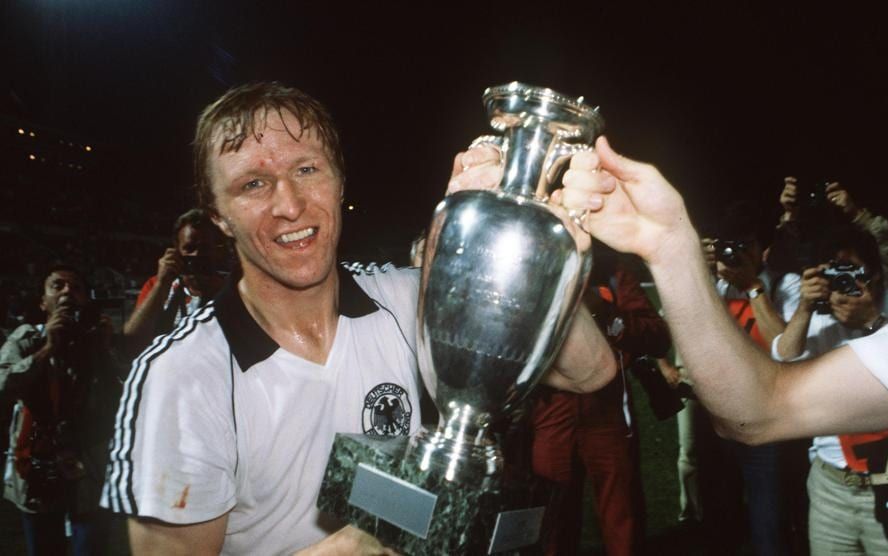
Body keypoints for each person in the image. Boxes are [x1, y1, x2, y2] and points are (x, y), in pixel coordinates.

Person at [101, 82, 615, 555]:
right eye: (254, 184)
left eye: (307, 170)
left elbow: (589, 371)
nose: (290, 205)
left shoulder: (405, 297)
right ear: (217, 214)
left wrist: (527, 232)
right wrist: (360, 546)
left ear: (340, 180)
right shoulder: (182, 375)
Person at [556, 136, 888, 532]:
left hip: (860, 466)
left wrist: (753, 283)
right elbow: (774, 377)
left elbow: (766, 393)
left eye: (853, 272)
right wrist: (671, 248)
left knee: (767, 509)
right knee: (704, 476)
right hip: (800, 454)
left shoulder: (788, 286)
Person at [773, 227, 888, 554]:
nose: (845, 284)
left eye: (854, 272)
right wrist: (803, 308)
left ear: (877, 275)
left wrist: (872, 322)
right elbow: (783, 365)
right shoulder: (820, 321)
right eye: (835, 274)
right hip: (831, 485)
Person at [531, 246, 670, 556]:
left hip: (606, 408)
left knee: (621, 516)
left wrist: (606, 313)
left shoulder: (610, 267)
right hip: (551, 406)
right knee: (549, 516)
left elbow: (658, 336)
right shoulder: (534, 260)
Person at [678, 202, 800, 555]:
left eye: (746, 245)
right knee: (720, 521)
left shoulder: (784, 284)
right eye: (730, 246)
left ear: (763, 248)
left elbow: (783, 346)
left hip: (766, 425)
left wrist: (752, 287)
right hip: (719, 419)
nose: (736, 254)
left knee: (768, 526)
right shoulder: (717, 285)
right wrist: (697, 270)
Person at [1, 265, 125, 555]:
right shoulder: (27, 337)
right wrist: (45, 352)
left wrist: (105, 351)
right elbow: (3, 385)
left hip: (89, 473)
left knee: (90, 547)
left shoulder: (98, 343)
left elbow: (128, 399)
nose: (68, 291)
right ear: (43, 302)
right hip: (37, 470)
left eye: (76, 288)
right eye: (58, 286)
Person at [123, 209, 226, 354]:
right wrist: (161, 284)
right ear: (177, 250)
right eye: (189, 248)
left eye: (205, 248)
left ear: (218, 251)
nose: (197, 255)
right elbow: (132, 338)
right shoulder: (157, 285)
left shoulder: (233, 289)